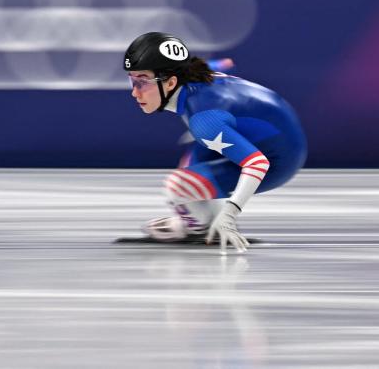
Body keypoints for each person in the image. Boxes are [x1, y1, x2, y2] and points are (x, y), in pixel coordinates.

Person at [124, 32, 307, 254]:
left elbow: (258, 164)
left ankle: (200, 227)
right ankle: (203, 219)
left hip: (279, 159)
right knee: (191, 166)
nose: (134, 92)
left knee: (179, 186)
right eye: (132, 80)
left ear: (171, 82)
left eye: (142, 82)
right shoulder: (193, 72)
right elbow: (227, 64)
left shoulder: (203, 120)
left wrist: (229, 214)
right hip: (277, 136)